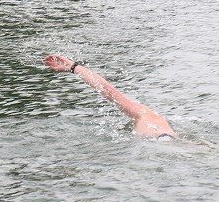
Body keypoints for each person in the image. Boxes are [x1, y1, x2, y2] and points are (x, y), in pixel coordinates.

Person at [43, 54, 176, 140]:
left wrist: (73, 67)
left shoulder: (146, 116)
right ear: (162, 116)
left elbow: (106, 89)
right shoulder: (156, 121)